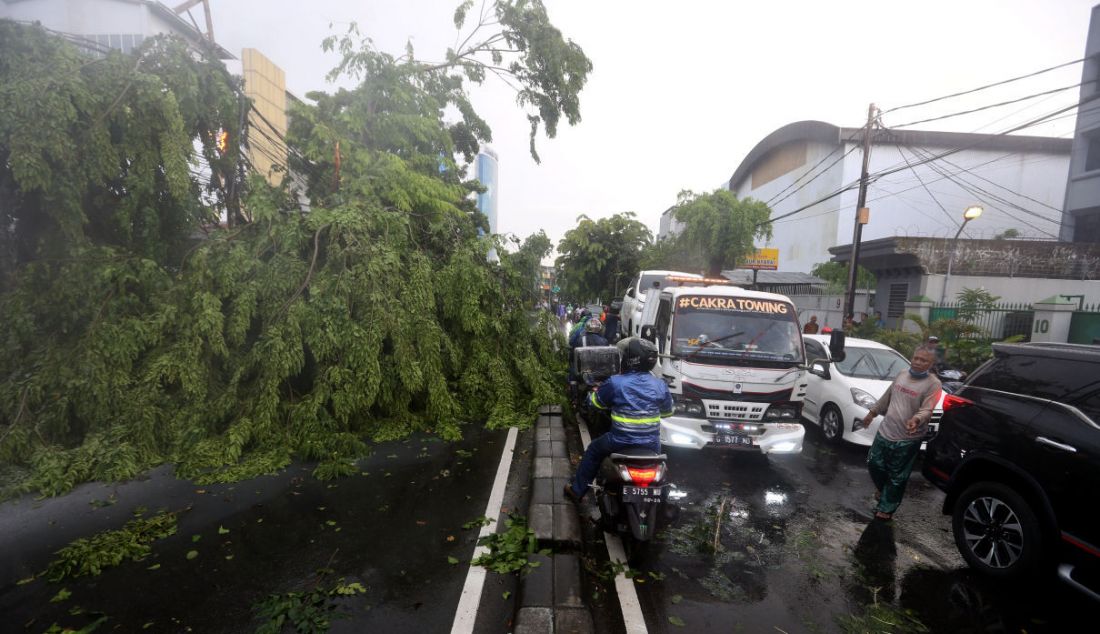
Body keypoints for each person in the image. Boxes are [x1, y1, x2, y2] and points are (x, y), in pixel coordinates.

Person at [564, 338, 672, 502]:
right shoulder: (660, 385)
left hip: (619, 441)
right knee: (661, 467)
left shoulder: (616, 383)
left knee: (593, 450)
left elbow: (595, 403)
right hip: (651, 444)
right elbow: (667, 412)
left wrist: (592, 395)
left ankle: (577, 490)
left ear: (629, 360)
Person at [858, 345, 942, 521]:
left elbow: (928, 409)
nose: (918, 362)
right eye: (916, 358)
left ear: (931, 363)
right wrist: (871, 414)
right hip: (886, 430)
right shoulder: (902, 374)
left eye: (924, 360)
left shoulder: (933, 384)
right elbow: (886, 397)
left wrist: (916, 420)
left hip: (908, 437)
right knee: (874, 463)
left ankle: (887, 507)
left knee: (897, 475)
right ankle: (884, 490)